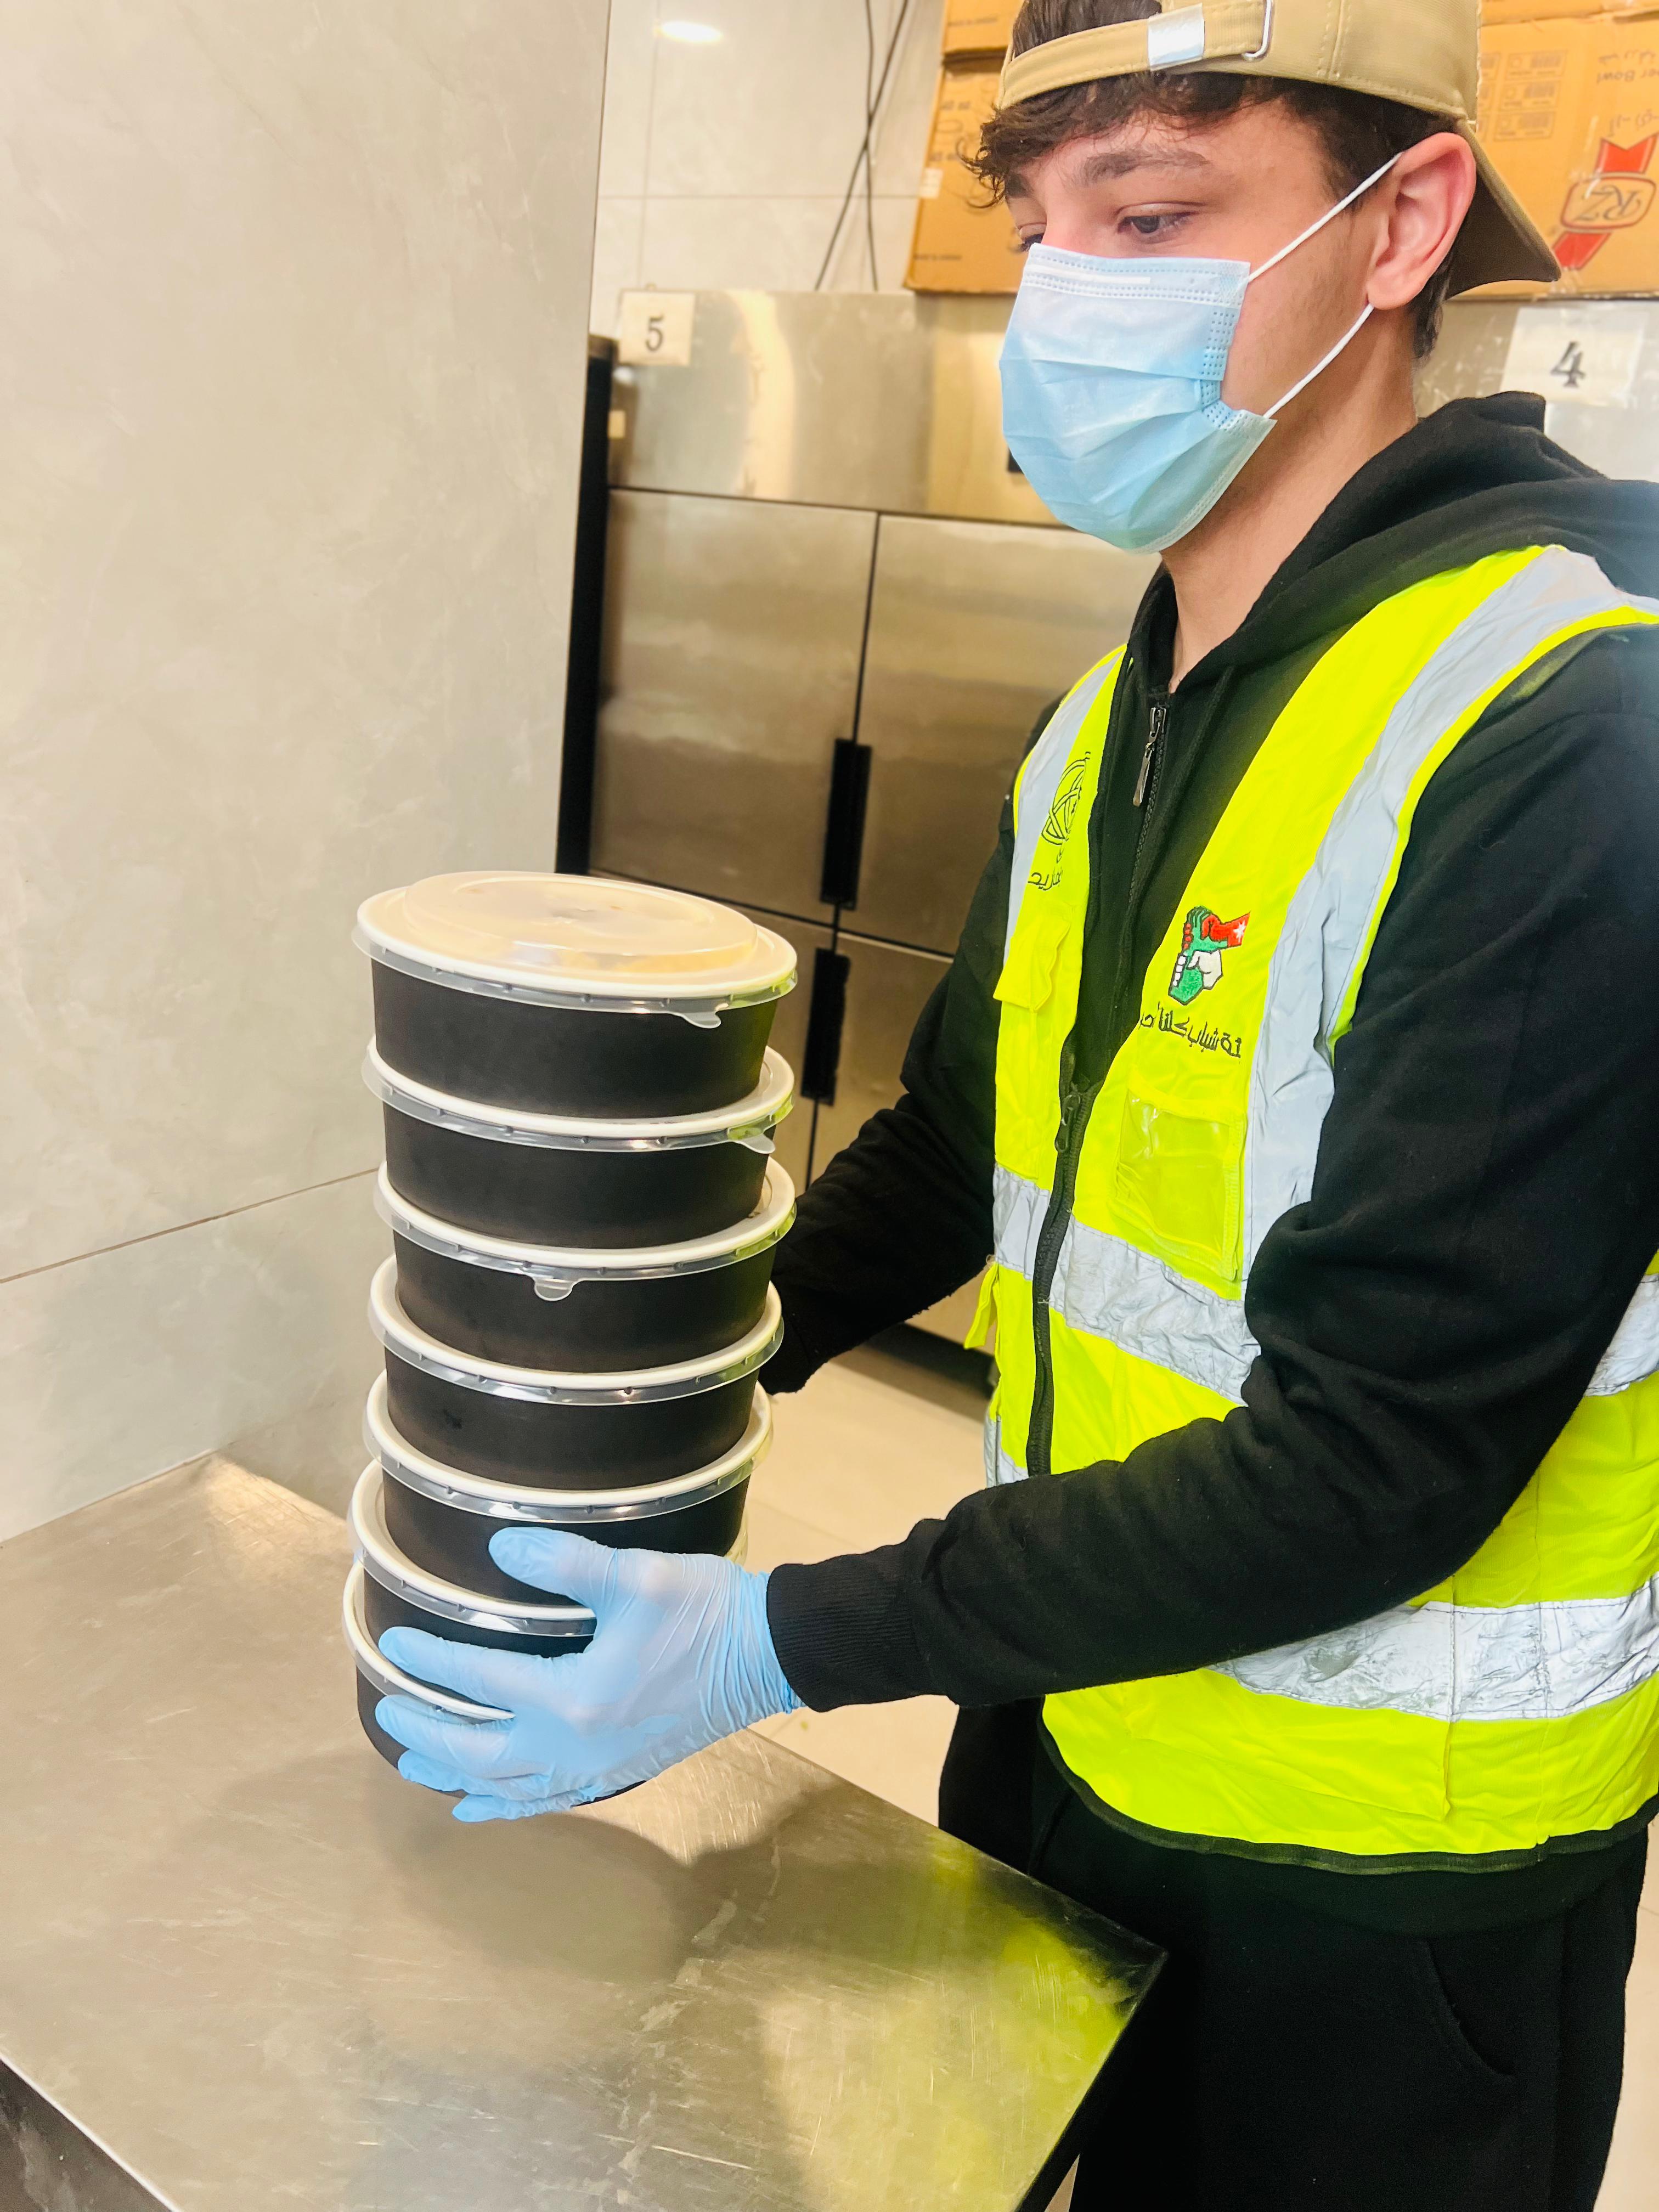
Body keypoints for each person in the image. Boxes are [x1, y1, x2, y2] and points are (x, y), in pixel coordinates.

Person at [373, 2, 1659, 2203]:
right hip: (1066, 1726)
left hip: (1377, 1879)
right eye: (1045, 229)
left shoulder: (1567, 730)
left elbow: (1383, 1459)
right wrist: (613, 1380)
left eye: (1149, 216)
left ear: (1399, 226)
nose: (1068, 302)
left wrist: (781, 1641)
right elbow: (953, 1153)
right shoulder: (1116, 715)